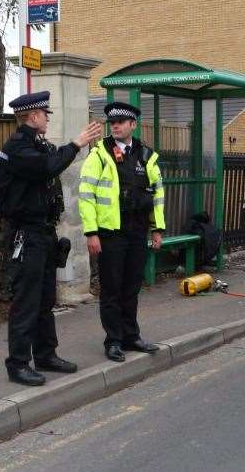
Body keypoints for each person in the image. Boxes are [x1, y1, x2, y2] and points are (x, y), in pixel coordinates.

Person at [0, 91, 102, 386]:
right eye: (44, 114)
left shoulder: (38, 144)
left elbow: (53, 164)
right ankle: (17, 364)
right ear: (32, 117)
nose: (46, 118)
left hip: (43, 233)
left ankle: (45, 355)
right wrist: (77, 143)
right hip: (26, 234)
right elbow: (49, 167)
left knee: (45, 299)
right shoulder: (18, 148)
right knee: (26, 302)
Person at [78, 103, 165, 363]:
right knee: (112, 289)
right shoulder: (100, 153)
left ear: (133, 125)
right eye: (112, 122)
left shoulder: (146, 155)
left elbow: (158, 194)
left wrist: (157, 228)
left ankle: (131, 336)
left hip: (137, 232)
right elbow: (86, 195)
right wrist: (91, 233)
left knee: (131, 287)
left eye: (121, 121)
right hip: (110, 233)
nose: (115, 125)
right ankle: (113, 340)